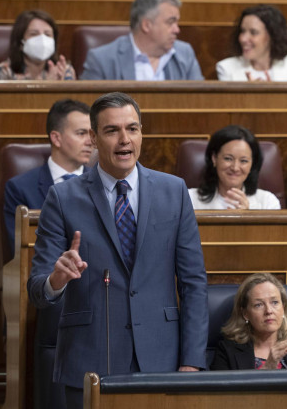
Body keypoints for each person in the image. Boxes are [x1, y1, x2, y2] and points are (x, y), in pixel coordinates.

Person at [27, 92, 208, 409]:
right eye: (112, 131)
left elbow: (194, 283)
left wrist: (191, 362)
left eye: (132, 128)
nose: (125, 140)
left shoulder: (173, 190)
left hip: (161, 360)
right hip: (89, 361)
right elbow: (37, 291)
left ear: (142, 133)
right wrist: (57, 279)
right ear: (95, 139)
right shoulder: (63, 197)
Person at [3, 99, 92, 256]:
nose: (90, 141)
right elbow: (22, 253)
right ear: (56, 138)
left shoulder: (104, 183)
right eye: (81, 133)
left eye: (91, 134)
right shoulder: (20, 189)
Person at [80, 0, 203, 80]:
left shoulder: (184, 53)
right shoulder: (102, 60)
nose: (177, 30)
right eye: (170, 22)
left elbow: (200, 102)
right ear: (146, 25)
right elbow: (89, 110)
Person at [210, 273, 287, 370]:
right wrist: (268, 367)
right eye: (259, 305)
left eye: (275, 302)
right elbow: (221, 392)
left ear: (283, 308)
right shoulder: (228, 351)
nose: (268, 311)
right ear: (245, 314)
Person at [188, 125, 280, 210]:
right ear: (214, 158)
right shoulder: (189, 199)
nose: (235, 168)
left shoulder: (267, 202)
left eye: (243, 161)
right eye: (228, 159)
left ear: (252, 163)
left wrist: (249, 217)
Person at [216, 4, 287, 81]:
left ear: (273, 36)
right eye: (242, 31)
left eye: (253, 32)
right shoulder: (226, 68)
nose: (243, 39)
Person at [0, 9, 75, 80]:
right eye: (34, 34)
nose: (42, 40)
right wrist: (47, 85)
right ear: (20, 42)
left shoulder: (64, 70)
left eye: (47, 34)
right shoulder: (4, 71)